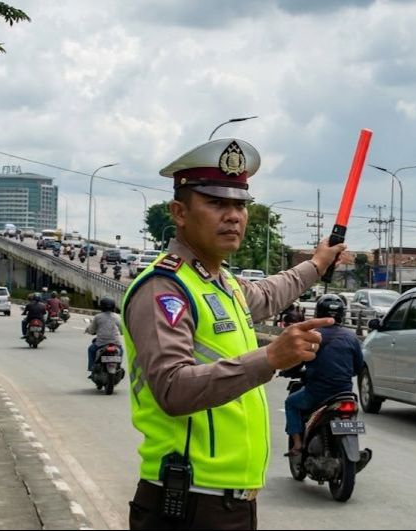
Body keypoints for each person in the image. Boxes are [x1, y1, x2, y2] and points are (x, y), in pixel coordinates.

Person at [122, 137, 344, 530]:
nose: (233, 216)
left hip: (228, 502)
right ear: (179, 212)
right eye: (216, 203)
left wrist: (317, 263)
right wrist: (270, 358)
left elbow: (272, 292)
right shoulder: (165, 287)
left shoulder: (220, 283)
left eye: (240, 204)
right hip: (187, 503)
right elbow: (172, 389)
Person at [284, 294, 363, 455]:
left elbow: (298, 361)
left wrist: (287, 371)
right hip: (345, 393)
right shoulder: (352, 337)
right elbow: (358, 367)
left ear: (318, 313)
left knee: (291, 403)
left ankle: (298, 445)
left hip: (318, 393)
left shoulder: (312, 335)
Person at [86, 297, 124, 372]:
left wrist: (89, 331)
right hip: (115, 343)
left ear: (101, 306)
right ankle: (118, 366)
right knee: (121, 351)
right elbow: (122, 331)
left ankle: (91, 368)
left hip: (101, 343)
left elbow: (91, 330)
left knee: (91, 349)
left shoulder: (98, 317)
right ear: (113, 306)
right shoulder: (117, 317)